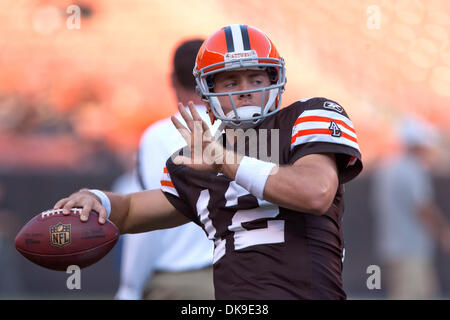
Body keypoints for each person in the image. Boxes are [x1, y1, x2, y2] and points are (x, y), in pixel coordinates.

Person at [53, 24, 363, 299]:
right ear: (207, 93)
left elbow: (315, 192)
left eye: (255, 79)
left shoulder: (308, 117)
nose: (246, 92)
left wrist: (225, 161)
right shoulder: (198, 162)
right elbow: (133, 210)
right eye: (231, 83)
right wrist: (98, 201)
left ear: (276, 80)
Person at [115, 39, 217, 300]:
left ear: (172, 80)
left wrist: (129, 287)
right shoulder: (245, 132)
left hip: (178, 282)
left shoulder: (159, 136)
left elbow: (146, 222)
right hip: (239, 279)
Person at [371, 116, 450, 299]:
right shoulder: (413, 170)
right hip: (410, 249)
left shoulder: (387, 168)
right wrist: (443, 231)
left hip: (390, 246)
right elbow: (422, 207)